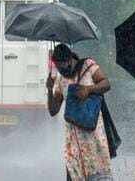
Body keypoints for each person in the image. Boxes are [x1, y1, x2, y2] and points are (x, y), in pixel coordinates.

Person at [45, 44, 113, 180]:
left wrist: (88, 89)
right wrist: (50, 91)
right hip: (74, 145)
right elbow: (53, 111)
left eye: (62, 66)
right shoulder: (61, 81)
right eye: (58, 68)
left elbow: (106, 84)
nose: (61, 70)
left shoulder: (88, 66)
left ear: (70, 59)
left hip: (94, 139)